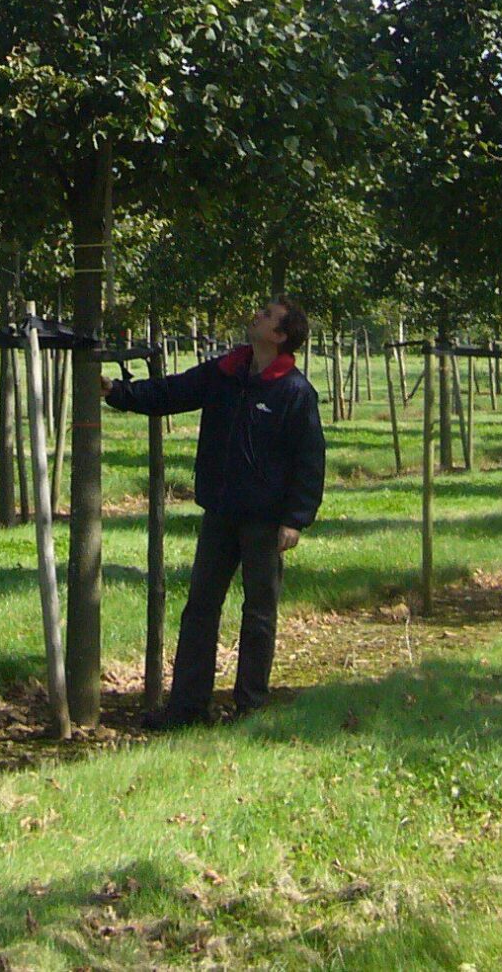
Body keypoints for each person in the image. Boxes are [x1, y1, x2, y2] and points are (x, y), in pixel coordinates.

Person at [103, 297, 325, 728]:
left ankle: (250, 707)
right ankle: (186, 708)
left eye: (266, 315)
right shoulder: (225, 373)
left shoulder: (295, 392)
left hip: (265, 520)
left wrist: (295, 519)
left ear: (280, 336)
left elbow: (310, 460)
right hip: (220, 513)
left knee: (259, 613)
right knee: (201, 608)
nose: (256, 315)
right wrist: (118, 392)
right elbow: (172, 391)